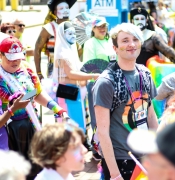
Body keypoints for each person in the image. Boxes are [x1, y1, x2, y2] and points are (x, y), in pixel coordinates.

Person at [93, 23, 158, 180]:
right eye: (125, 40)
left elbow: (151, 117)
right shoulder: (106, 81)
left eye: (135, 39)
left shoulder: (145, 73)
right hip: (121, 159)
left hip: (145, 156)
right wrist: (115, 174)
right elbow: (102, 132)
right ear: (115, 48)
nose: (131, 44)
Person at [0, 36, 68, 180]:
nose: (15, 61)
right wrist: (14, 106)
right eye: (11, 57)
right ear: (1, 55)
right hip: (9, 133)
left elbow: (37, 93)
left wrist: (57, 109)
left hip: (32, 125)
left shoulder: (27, 70)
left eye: (18, 57)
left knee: (37, 168)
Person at [53, 21, 99, 131]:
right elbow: (71, 74)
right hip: (67, 92)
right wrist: (92, 76)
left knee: (79, 121)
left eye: (74, 33)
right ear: (62, 35)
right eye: (69, 33)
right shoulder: (62, 53)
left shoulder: (70, 50)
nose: (73, 36)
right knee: (71, 125)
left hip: (75, 91)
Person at [82, 16, 116, 161]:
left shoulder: (110, 41)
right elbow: (90, 65)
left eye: (104, 26)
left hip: (113, 82)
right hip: (96, 83)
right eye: (98, 26)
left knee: (111, 115)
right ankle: (96, 146)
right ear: (93, 29)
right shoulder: (90, 43)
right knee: (97, 116)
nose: (102, 29)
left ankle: (109, 145)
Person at [34, 0, 75, 79]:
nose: (65, 10)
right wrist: (38, 72)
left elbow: (78, 49)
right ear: (55, 12)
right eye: (61, 8)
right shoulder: (49, 28)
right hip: (54, 69)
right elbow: (37, 49)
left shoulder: (73, 27)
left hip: (72, 68)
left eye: (67, 8)